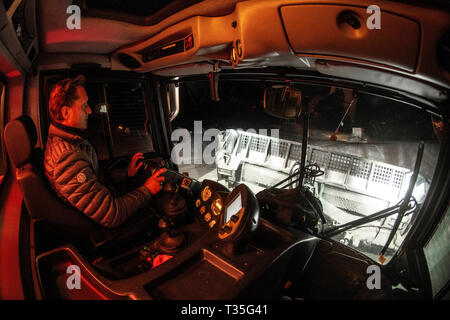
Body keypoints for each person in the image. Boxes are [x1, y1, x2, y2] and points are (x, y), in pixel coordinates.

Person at [44, 75, 166, 228]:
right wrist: (147, 190)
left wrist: (126, 173)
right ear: (65, 113)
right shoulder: (66, 157)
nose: (89, 111)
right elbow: (112, 214)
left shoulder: (71, 141)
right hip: (102, 229)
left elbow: (94, 179)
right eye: (84, 105)